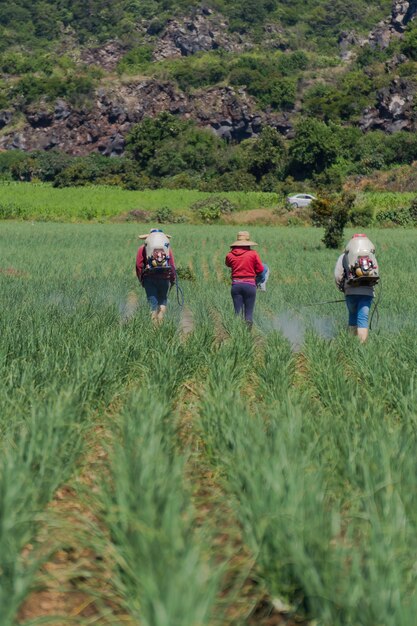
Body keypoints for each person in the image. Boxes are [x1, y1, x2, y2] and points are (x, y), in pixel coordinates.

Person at [334, 233, 379, 343]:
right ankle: (362, 347)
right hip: (367, 292)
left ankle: (351, 344)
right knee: (362, 319)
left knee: (352, 317)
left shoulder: (344, 256)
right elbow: (376, 273)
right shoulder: (370, 256)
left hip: (350, 291)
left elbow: (338, 275)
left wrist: (342, 288)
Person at [225, 231, 265, 329]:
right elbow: (260, 269)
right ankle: (247, 336)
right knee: (248, 314)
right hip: (249, 285)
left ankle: (237, 334)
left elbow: (228, 264)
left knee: (237, 312)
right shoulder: (253, 254)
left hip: (236, 285)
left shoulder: (230, 255)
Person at [136, 229, 176, 323]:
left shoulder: (142, 248)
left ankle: (153, 328)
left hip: (149, 278)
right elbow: (172, 265)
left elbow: (139, 265)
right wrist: (173, 279)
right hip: (164, 278)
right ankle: (161, 324)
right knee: (163, 300)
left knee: (152, 304)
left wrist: (141, 279)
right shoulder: (167, 249)